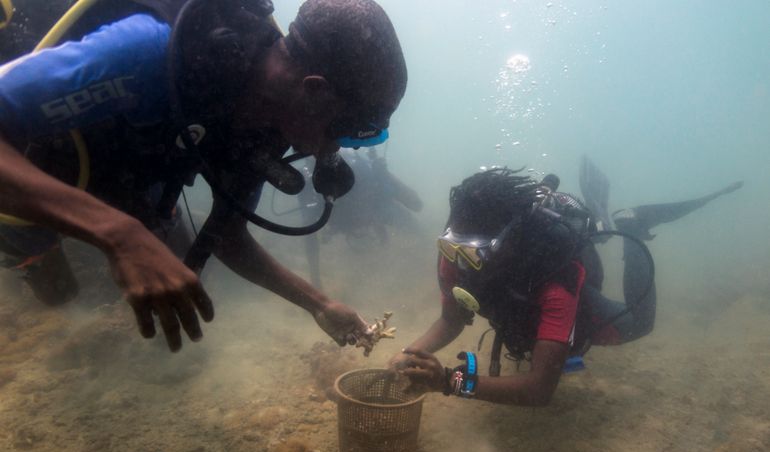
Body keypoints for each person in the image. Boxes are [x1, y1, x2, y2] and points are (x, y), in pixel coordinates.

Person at [0, 0, 408, 351]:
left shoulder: (271, 121)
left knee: (172, 267)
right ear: (314, 90)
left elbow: (228, 235)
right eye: (344, 134)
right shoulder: (150, 48)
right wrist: (119, 235)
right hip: (29, 167)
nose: (331, 150)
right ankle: (25, 253)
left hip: (122, 181)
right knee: (53, 281)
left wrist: (317, 303)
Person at [390, 160, 742, 406]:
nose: (458, 263)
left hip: (565, 297)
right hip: (519, 307)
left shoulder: (557, 275)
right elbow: (452, 319)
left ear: (510, 239)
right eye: (451, 248)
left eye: (474, 253)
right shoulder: (458, 247)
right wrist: (408, 355)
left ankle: (632, 223)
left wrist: (450, 382)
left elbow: (540, 390)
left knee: (639, 325)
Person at [298, 146, 423, 288]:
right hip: (359, 204)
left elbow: (416, 204)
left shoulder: (373, 192)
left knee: (404, 214)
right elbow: (309, 236)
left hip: (372, 199)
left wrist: (385, 176)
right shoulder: (318, 195)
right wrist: (316, 282)